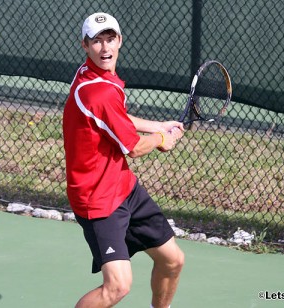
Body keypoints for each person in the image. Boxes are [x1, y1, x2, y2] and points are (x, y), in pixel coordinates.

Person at [63, 12, 185, 308]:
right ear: (85, 45)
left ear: (119, 40)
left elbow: (113, 118)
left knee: (173, 261)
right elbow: (134, 148)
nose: (104, 48)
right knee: (117, 287)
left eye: (109, 39)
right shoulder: (98, 91)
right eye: (96, 41)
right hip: (98, 201)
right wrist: (160, 140)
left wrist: (156, 126)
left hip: (124, 188)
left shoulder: (93, 75)